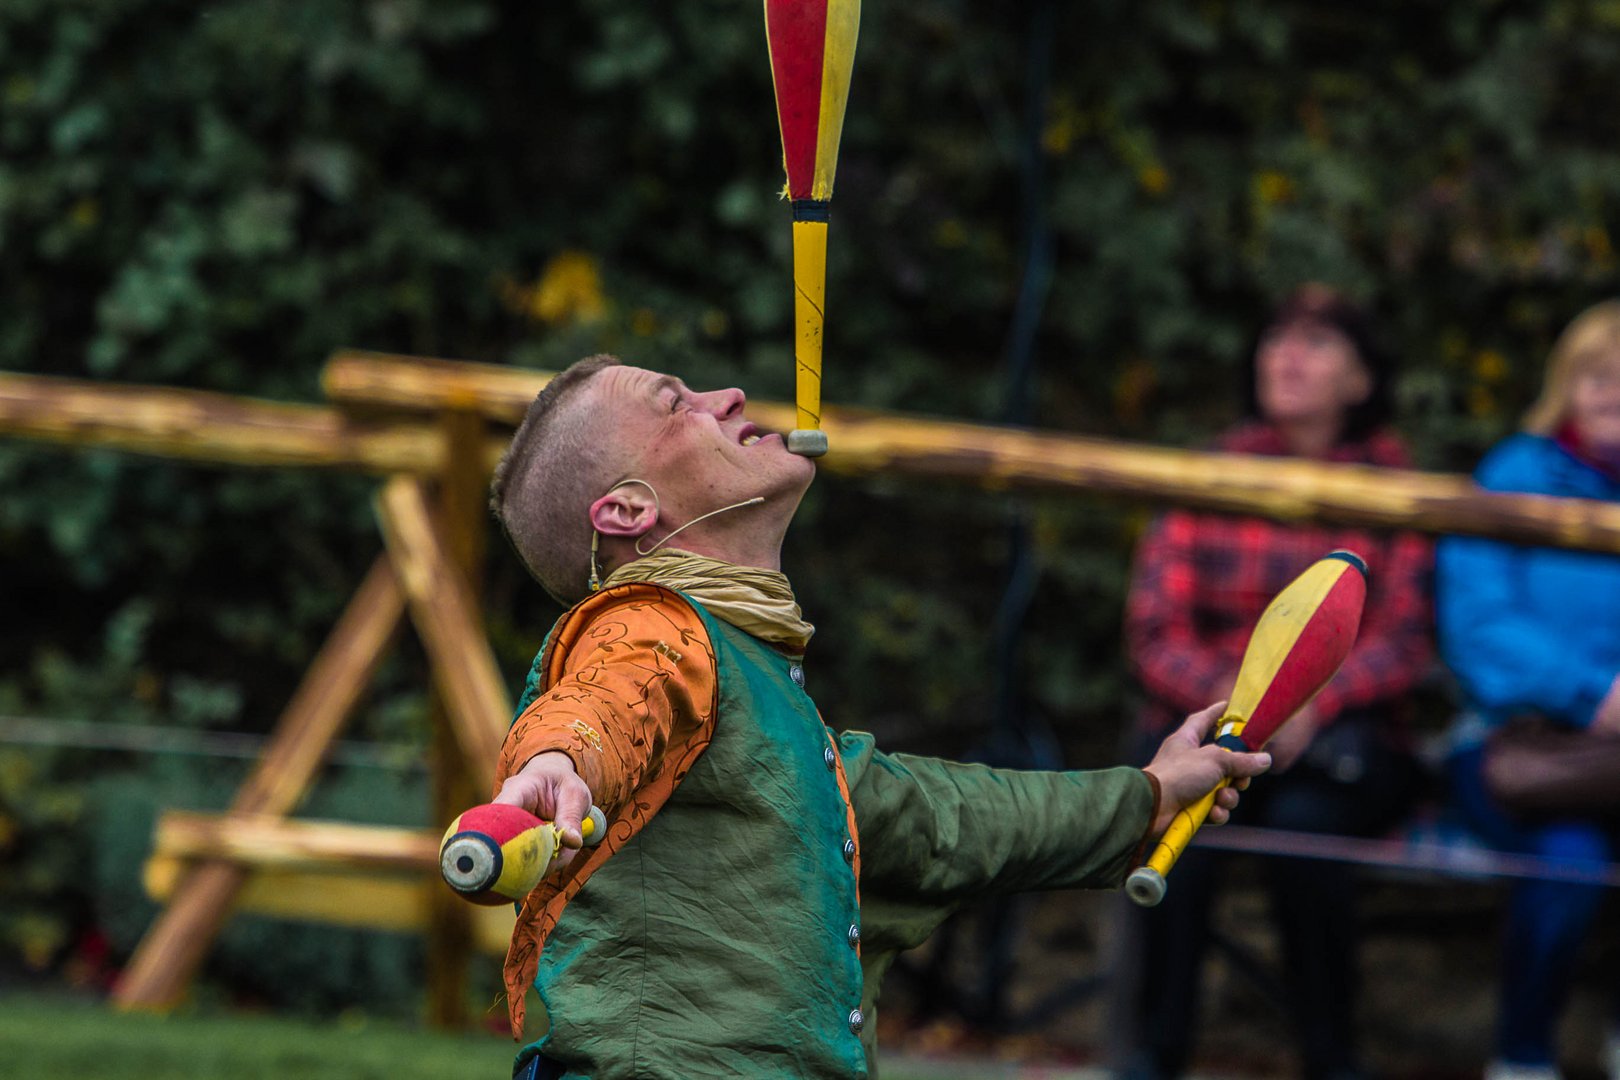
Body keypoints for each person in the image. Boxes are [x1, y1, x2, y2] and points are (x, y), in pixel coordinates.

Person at [482, 354, 1271, 1080]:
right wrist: (559, 763)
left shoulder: (761, 699)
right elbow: (610, 698)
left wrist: (1150, 795)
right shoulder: (651, 624)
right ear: (627, 510)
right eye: (674, 403)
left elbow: (941, 817)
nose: (726, 397)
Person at [1115, 285, 1435, 1080]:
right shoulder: (1210, 474)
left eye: (1317, 342)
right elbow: (1155, 629)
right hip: (1204, 721)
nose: (1286, 356)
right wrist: (1240, 710)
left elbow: (1405, 639)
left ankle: (1332, 1059)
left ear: (1362, 380)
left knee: (1307, 835)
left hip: (1339, 744)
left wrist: (1313, 704)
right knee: (1172, 821)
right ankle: (1153, 1057)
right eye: (1276, 339)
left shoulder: (1399, 487)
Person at [1438, 299, 1620, 1080]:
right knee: (1569, 866)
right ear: (1566, 386)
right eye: (1598, 376)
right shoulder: (1514, 473)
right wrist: (1594, 693)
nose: (1615, 393)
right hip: (1528, 753)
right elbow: (1479, 627)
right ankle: (1522, 1058)